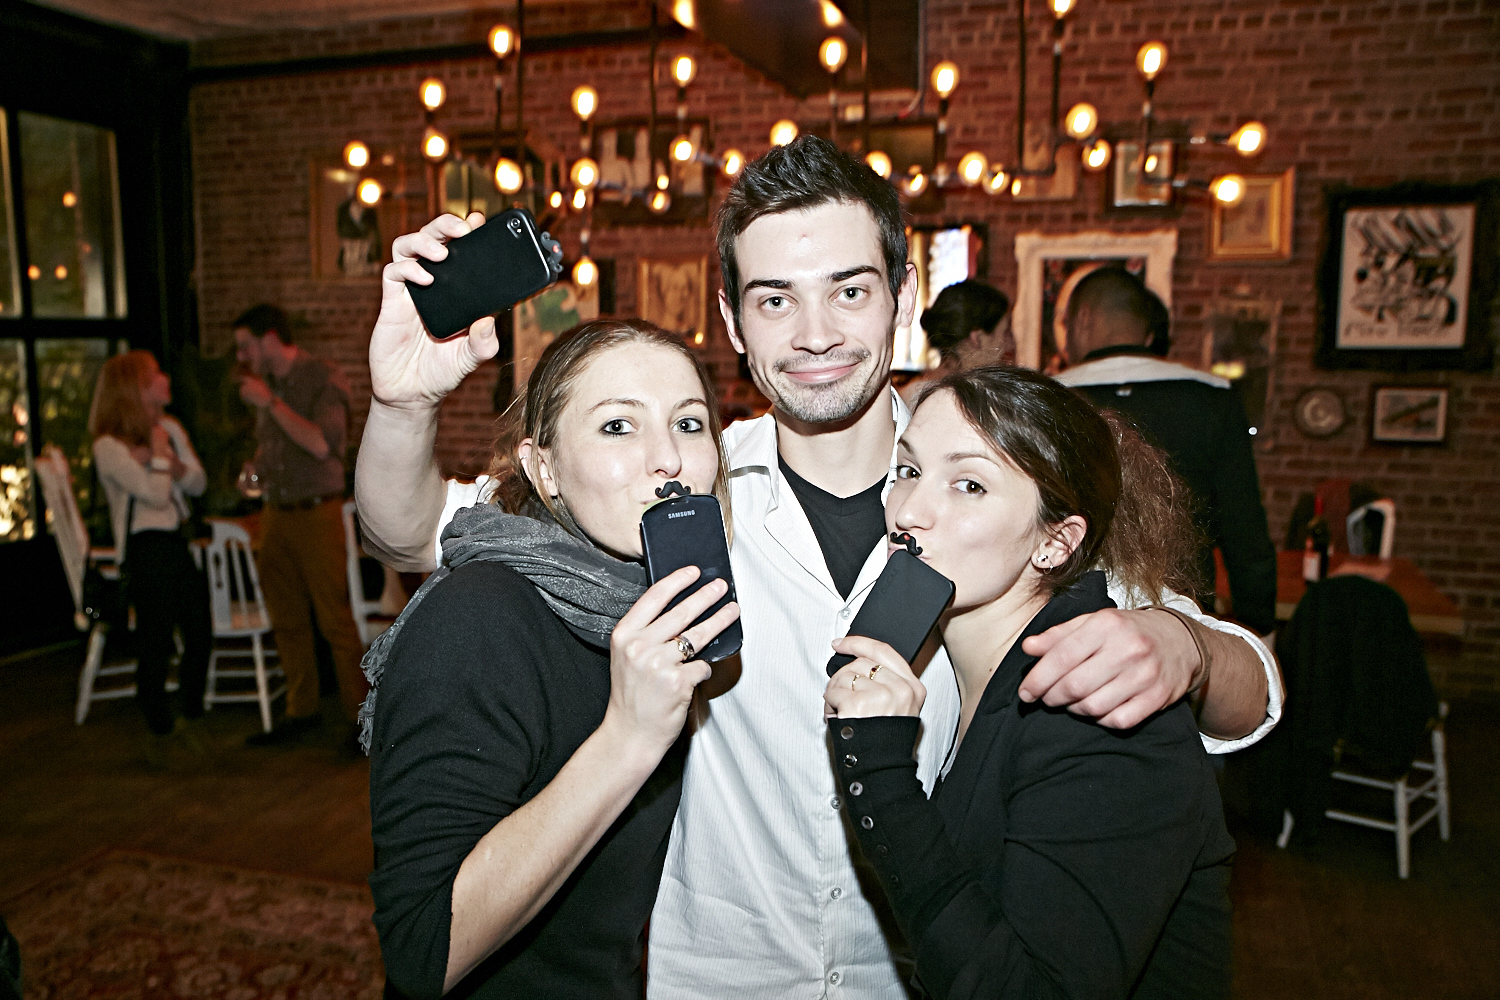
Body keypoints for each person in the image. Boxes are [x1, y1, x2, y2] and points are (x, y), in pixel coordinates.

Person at [352, 136, 1280, 998]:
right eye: (774, 299)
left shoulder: (987, 487)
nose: (815, 333)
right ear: (733, 319)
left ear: (903, 295)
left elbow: (1256, 693)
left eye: (849, 291)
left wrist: (1183, 644)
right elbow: (414, 531)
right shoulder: (679, 488)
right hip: (717, 981)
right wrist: (402, 403)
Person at [824, 366, 1234, 999]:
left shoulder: (1092, 700)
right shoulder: (972, 671)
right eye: (908, 470)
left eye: (968, 485)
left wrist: (879, 776)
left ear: (1054, 542)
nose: (909, 511)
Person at [363, 319, 741, 998]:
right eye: (618, 426)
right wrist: (627, 738)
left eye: (689, 425)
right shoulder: (480, 616)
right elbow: (423, 949)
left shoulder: (653, 607)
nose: (669, 459)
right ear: (544, 468)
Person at [1055, 268, 1279, 636]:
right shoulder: (1211, 398)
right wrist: (1257, 627)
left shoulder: (1047, 398)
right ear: (1147, 335)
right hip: (1182, 620)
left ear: (1082, 319)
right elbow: (1243, 525)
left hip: (1068, 614)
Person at [232, 304, 367, 746]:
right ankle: (301, 710)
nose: (242, 357)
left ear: (270, 338)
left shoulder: (322, 377)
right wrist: (255, 470)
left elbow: (323, 445)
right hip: (274, 512)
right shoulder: (265, 385)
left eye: (246, 346)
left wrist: (271, 404)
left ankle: (359, 719)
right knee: (286, 619)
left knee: (335, 619)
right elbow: (277, 447)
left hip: (316, 512)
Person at [90, 350, 211, 747]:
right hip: (145, 547)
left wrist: (169, 460)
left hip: (175, 540)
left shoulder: (170, 427)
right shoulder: (109, 446)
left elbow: (197, 483)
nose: (165, 378)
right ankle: (157, 712)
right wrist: (159, 459)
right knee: (156, 635)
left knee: (198, 626)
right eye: (156, 374)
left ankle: (192, 703)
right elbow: (155, 497)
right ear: (137, 389)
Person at [901, 279, 1013, 403]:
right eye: (1005, 333)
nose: (1010, 345)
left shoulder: (919, 394)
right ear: (977, 338)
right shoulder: (932, 399)